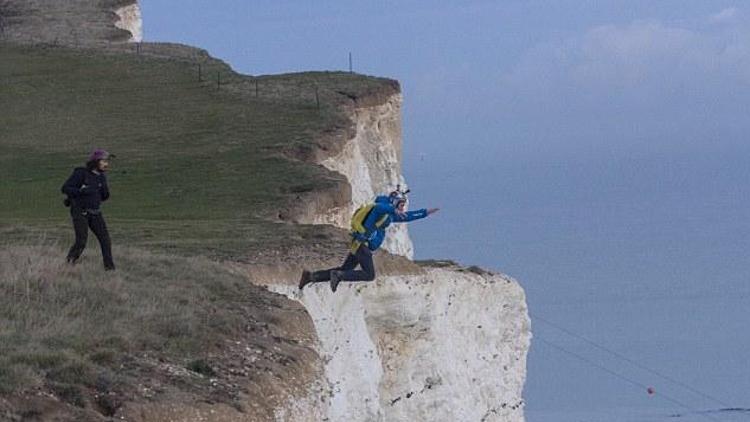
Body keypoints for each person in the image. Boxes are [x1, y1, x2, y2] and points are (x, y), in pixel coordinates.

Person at [299, 188, 439, 292]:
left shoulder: (390, 215)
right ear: (394, 203)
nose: (403, 208)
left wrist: (425, 213)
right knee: (369, 275)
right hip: (362, 245)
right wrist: (391, 208)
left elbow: (408, 216)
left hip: (359, 244)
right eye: (401, 204)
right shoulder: (380, 209)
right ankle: (338, 275)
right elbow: (379, 207)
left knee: (345, 268)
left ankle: (311, 277)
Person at [61, 148, 116, 270]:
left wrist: (104, 191)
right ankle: (68, 264)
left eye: (107, 161)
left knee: (105, 240)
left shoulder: (101, 177)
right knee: (81, 241)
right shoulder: (81, 173)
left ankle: (110, 269)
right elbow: (65, 188)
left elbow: (104, 196)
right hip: (80, 211)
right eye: (104, 161)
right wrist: (81, 191)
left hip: (96, 212)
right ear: (96, 161)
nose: (106, 164)